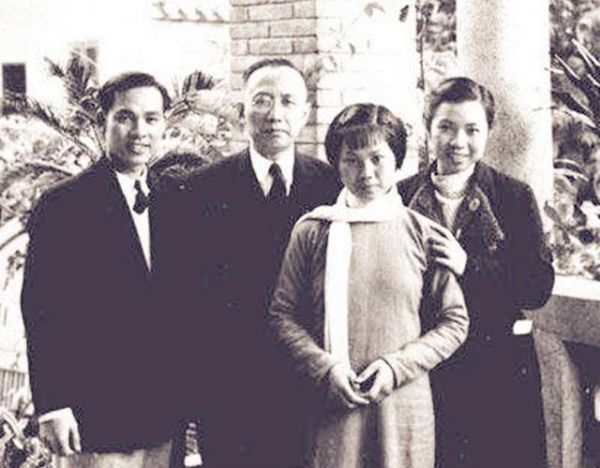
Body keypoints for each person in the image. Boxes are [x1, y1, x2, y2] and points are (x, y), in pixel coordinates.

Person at [268, 103, 469, 468]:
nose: (366, 172)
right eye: (352, 160)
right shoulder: (313, 230)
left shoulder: (422, 232)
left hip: (403, 406)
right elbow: (282, 315)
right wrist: (325, 368)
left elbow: (455, 322)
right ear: (336, 163)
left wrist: (396, 367)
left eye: (377, 158)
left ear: (397, 159)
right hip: (332, 404)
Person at [174, 58, 340, 468]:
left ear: (305, 113)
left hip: (310, 383)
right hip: (230, 390)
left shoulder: (332, 187)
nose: (274, 113)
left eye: (288, 101)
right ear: (242, 110)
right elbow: (187, 299)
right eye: (262, 100)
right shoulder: (199, 189)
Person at [21, 72, 181, 467]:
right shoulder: (63, 206)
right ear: (101, 121)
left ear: (164, 124)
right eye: (125, 117)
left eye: (151, 118)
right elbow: (42, 311)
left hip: (164, 416)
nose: (139, 131)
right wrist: (53, 404)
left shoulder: (175, 198)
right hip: (94, 417)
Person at [397, 77, 555, 468]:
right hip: (424, 368)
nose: (458, 141)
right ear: (428, 127)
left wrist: (468, 265)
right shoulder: (400, 196)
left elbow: (536, 287)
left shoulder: (512, 196)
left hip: (496, 367)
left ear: (488, 131)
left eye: (472, 129)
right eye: (446, 127)